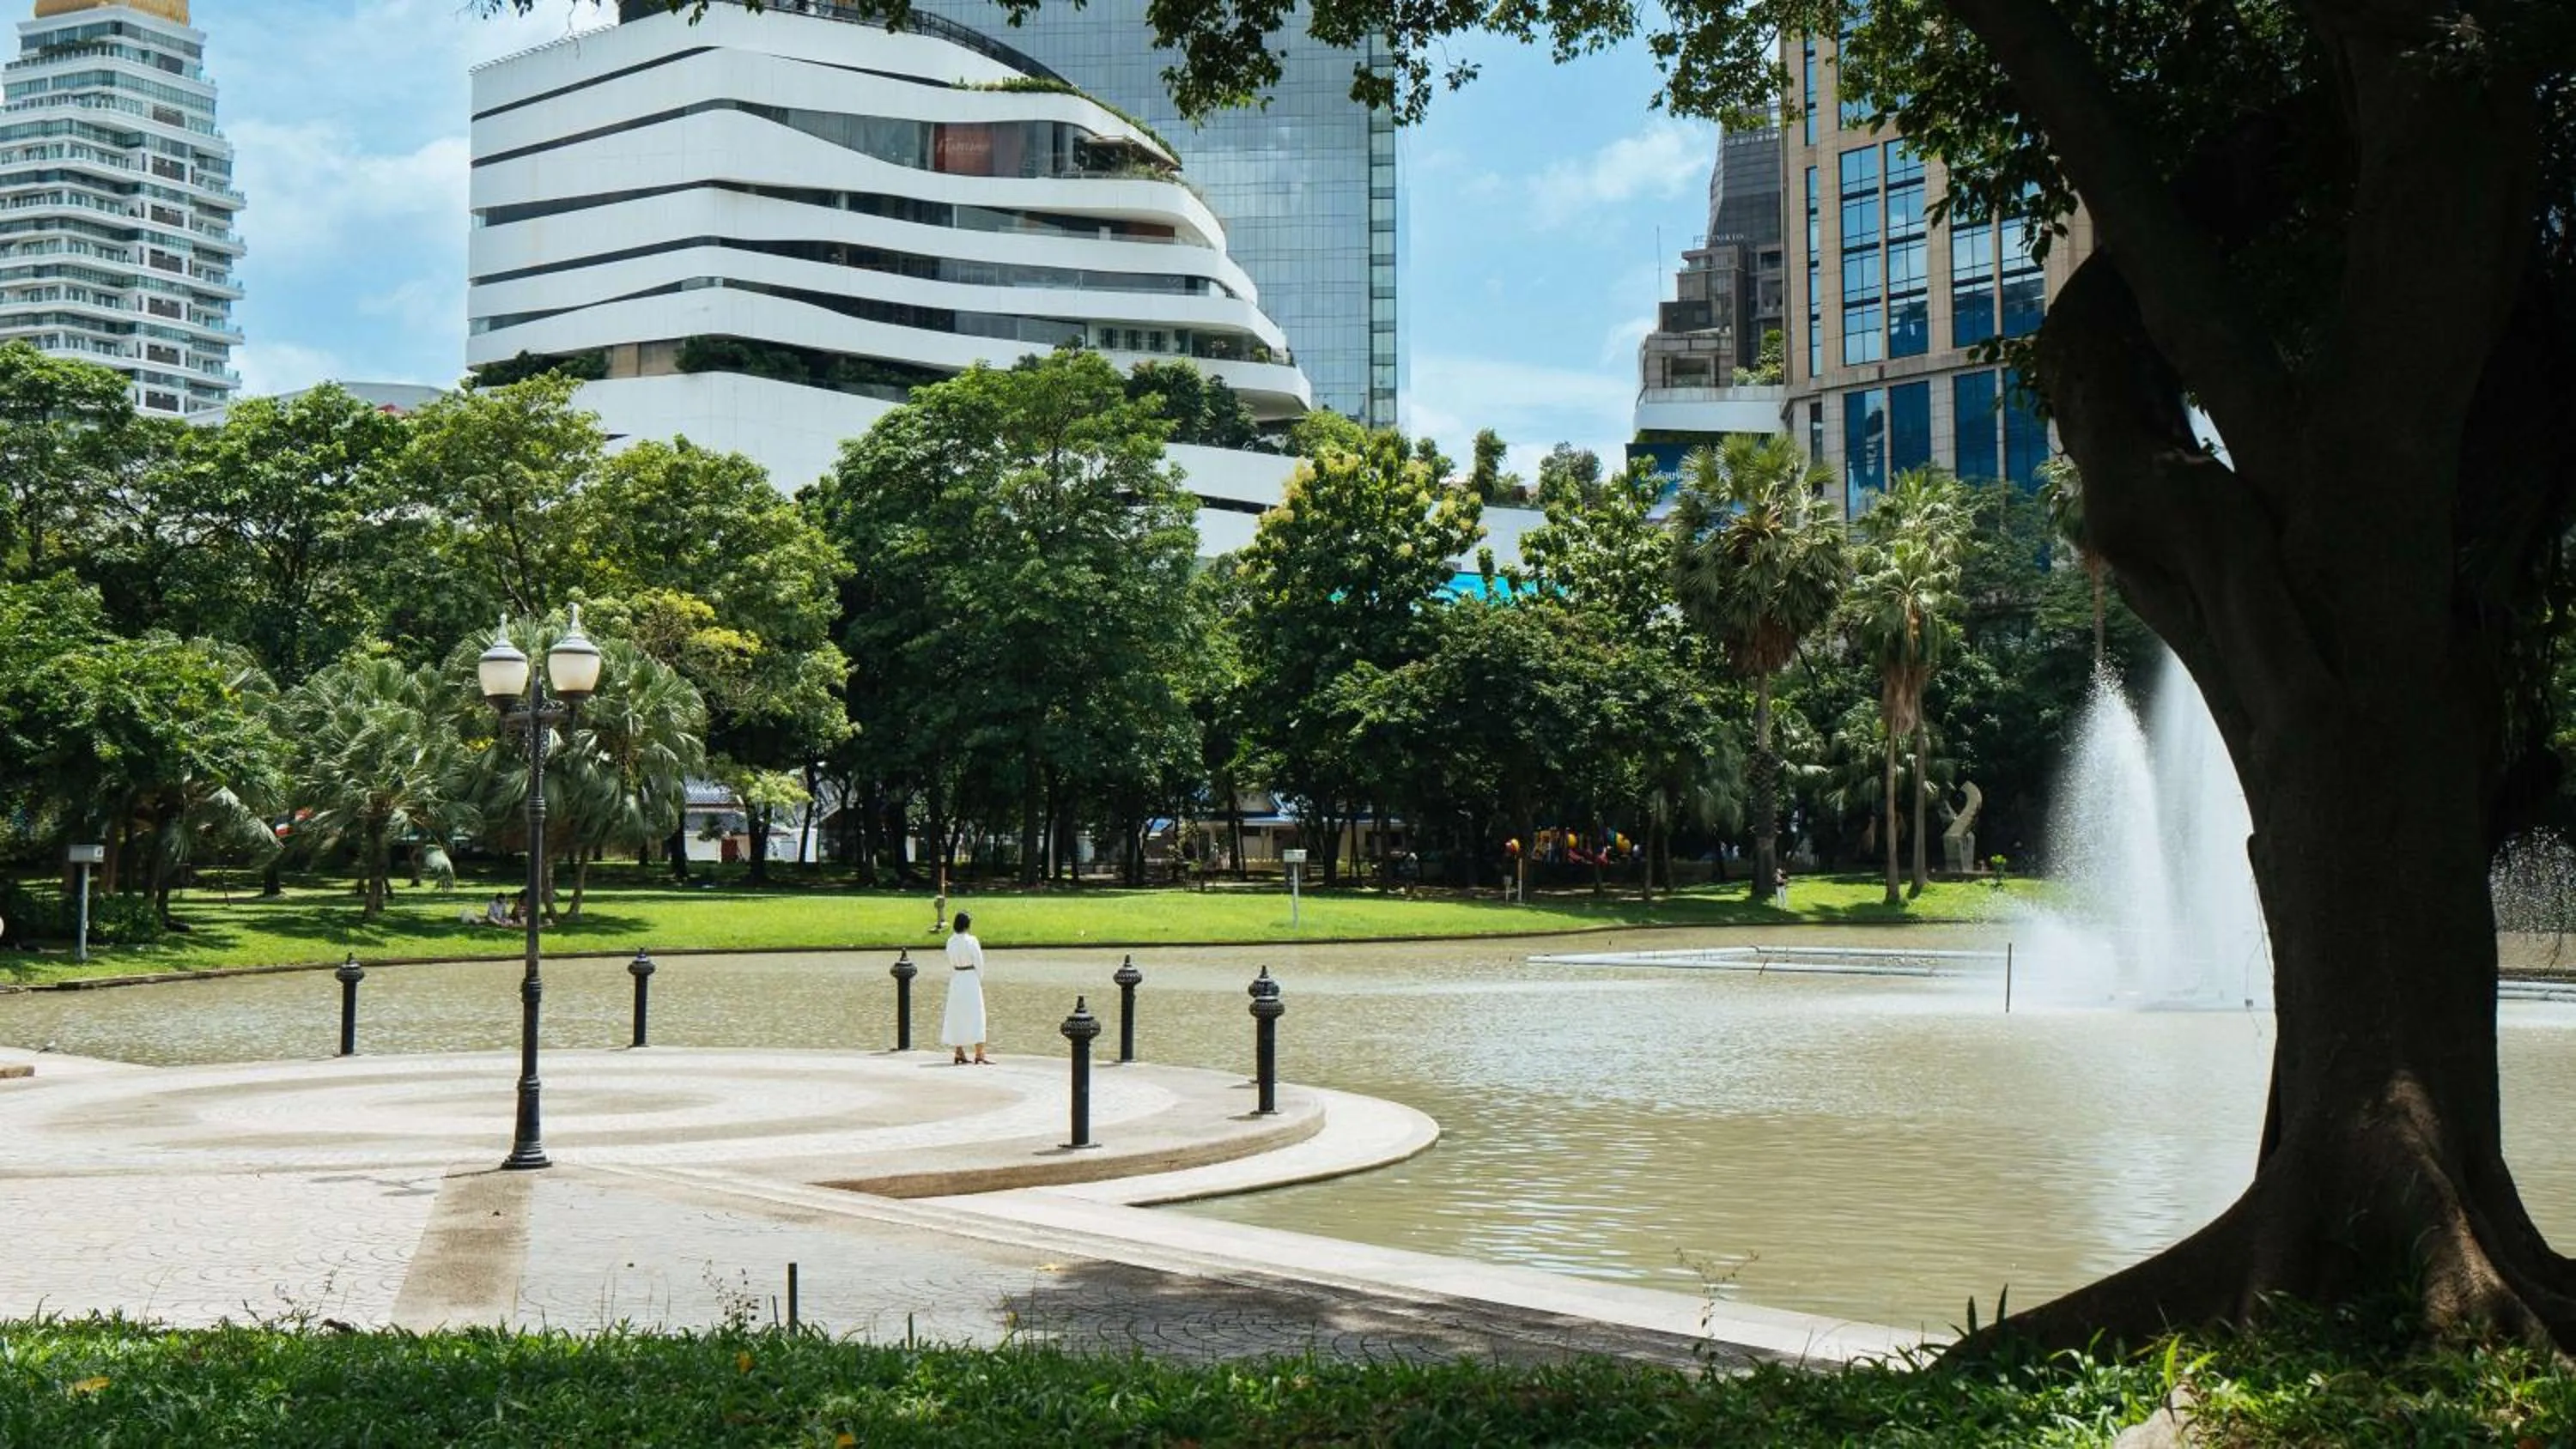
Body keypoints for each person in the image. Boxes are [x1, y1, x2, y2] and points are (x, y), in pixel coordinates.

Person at [942, 910, 988, 1065]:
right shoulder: (972, 941)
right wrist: (978, 978)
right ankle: (979, 1053)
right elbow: (979, 963)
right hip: (970, 979)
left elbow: (950, 962)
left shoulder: (950, 941)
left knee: (957, 1015)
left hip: (957, 979)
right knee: (976, 1014)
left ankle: (959, 1051)